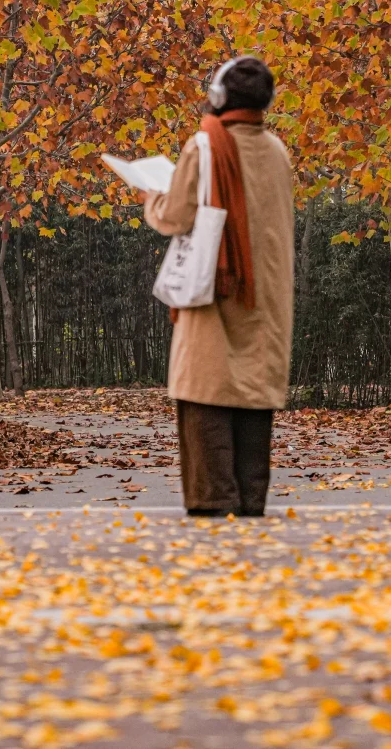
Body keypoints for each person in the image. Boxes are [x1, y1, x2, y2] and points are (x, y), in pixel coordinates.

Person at [143, 55, 294, 516]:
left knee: (205, 390)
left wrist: (152, 196)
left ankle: (213, 501)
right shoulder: (278, 151)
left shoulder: (203, 147)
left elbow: (175, 215)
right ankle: (249, 502)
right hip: (266, 289)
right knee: (253, 391)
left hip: (215, 284)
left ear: (218, 96)